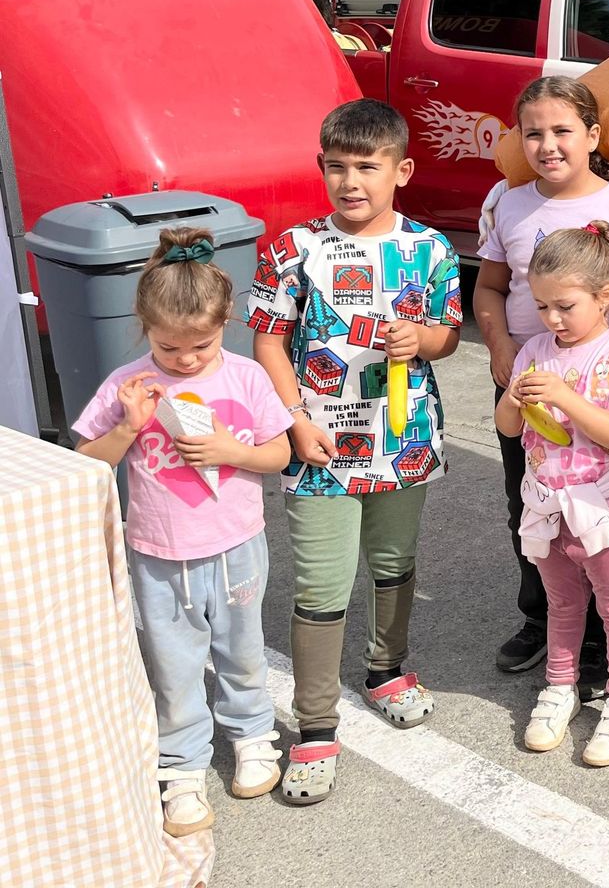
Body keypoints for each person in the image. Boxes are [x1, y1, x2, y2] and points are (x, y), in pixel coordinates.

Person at [249, 99, 462, 805]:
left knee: (395, 563)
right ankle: (313, 727)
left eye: (367, 167)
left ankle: (386, 669)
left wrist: (420, 340)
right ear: (321, 168)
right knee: (319, 588)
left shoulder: (431, 249)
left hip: (403, 440)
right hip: (319, 444)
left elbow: (448, 335)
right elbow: (268, 339)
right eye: (337, 167)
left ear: (400, 170)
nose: (351, 182)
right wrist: (291, 418)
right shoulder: (292, 248)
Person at [74, 227, 293, 837]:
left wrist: (230, 449)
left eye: (202, 343)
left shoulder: (246, 377)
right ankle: (183, 767)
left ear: (225, 322)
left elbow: (278, 455)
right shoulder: (130, 384)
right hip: (158, 552)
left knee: (242, 651)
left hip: (236, 545)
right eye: (170, 348)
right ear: (145, 328)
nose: (188, 360)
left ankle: (252, 735)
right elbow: (88, 461)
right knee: (171, 666)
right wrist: (127, 427)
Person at [475, 76, 609, 681]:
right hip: (527, 382)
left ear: (593, 136)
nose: (547, 145)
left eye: (562, 131)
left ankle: (600, 635)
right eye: (533, 133)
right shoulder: (508, 202)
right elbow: (489, 286)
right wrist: (502, 349)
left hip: (601, 388)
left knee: (600, 507)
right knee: (529, 501)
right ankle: (544, 614)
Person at [494, 223, 609, 766]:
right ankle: (559, 685)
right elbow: (510, 429)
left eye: (564, 306)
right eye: (541, 306)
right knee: (562, 602)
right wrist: (514, 399)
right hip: (545, 503)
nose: (551, 320)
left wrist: (565, 393)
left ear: (605, 296)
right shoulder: (535, 350)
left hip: (603, 508)